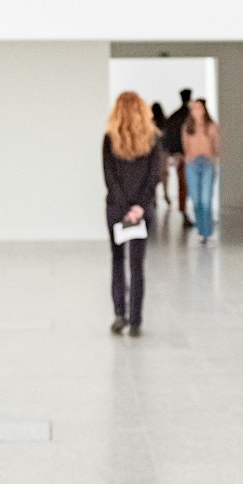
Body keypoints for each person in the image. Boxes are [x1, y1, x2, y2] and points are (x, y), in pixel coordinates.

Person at [103, 92, 162, 337]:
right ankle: (136, 321)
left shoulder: (110, 139)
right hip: (142, 210)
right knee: (137, 264)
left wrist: (125, 206)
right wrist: (139, 206)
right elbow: (154, 176)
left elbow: (109, 178)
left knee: (118, 261)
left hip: (116, 209)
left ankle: (120, 314)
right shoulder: (153, 139)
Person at [182, 97, 221, 244]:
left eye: (199, 108)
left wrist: (214, 159)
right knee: (196, 199)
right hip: (192, 164)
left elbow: (217, 145)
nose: (197, 111)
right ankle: (200, 228)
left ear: (204, 110)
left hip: (207, 164)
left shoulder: (211, 126)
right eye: (194, 108)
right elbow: (185, 146)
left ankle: (207, 231)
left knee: (206, 198)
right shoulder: (187, 127)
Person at [163, 88, 195, 228]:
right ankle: (188, 213)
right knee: (189, 185)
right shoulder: (191, 116)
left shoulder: (175, 116)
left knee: (183, 185)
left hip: (181, 155)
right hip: (190, 155)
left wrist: (173, 152)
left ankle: (185, 213)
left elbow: (168, 135)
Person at [150, 101, 170, 205]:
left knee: (155, 174)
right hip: (163, 151)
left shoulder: (151, 123)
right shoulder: (164, 122)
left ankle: (155, 197)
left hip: (156, 152)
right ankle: (165, 194)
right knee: (164, 174)